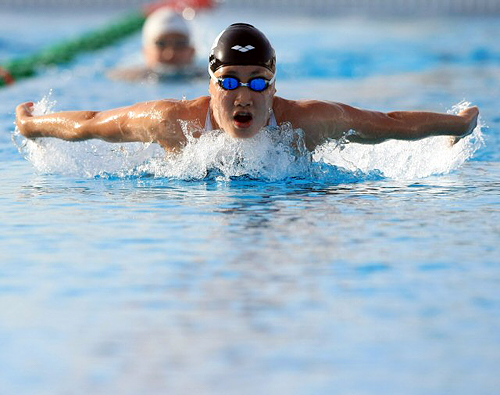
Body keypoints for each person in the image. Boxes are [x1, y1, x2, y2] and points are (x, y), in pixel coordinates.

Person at [17, 23, 478, 153]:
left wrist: (455, 123)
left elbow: (388, 124)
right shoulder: (171, 122)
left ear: (274, 89)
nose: (245, 95)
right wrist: (33, 125)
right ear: (211, 83)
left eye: (259, 82)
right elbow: (93, 124)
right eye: (231, 82)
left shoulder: (309, 121)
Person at [108, 7, 202, 82]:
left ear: (192, 51)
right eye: (161, 44)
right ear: (146, 51)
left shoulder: (206, 78)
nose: (170, 53)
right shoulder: (128, 77)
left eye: (180, 44)